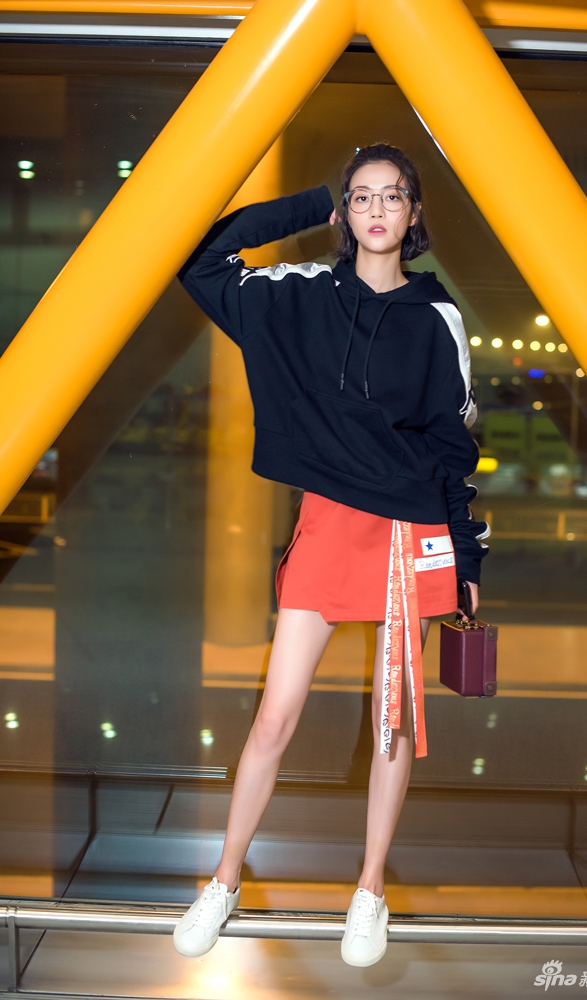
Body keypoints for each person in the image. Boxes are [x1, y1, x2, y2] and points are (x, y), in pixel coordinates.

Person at [173, 143, 488, 967]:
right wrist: (310, 202)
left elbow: (454, 448)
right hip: (329, 522)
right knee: (274, 716)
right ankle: (224, 879)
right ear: (347, 212)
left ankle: (370, 889)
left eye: (393, 196)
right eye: (361, 196)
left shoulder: (438, 317)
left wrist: (466, 560)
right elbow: (201, 260)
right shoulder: (300, 294)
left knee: (392, 724)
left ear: (414, 213)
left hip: (409, 533)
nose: (377, 209)